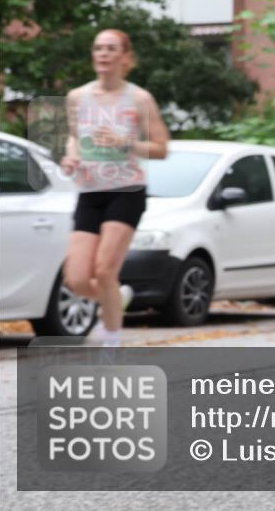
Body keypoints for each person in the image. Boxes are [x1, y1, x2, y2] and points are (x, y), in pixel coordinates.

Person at [61, 29, 169, 346]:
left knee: (105, 270)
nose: (103, 54)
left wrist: (126, 142)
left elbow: (162, 148)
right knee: (78, 278)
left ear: (125, 57)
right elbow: (74, 137)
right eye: (98, 48)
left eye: (111, 48)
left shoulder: (139, 99)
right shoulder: (77, 97)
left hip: (127, 191)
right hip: (90, 190)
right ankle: (116, 298)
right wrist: (71, 156)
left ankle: (111, 340)